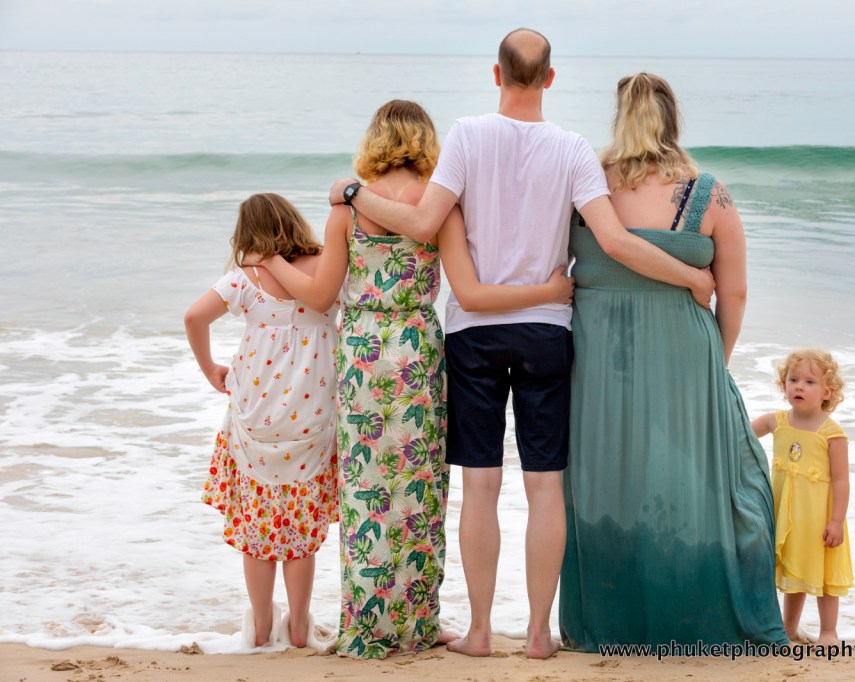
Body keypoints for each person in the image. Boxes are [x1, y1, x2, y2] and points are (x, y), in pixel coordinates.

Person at [328, 31, 714, 659]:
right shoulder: (573, 149)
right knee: (544, 488)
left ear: (496, 74)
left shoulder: (467, 135)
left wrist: (353, 194)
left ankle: (480, 632)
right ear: (551, 78)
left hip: (474, 336)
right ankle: (538, 633)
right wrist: (693, 277)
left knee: (480, 487)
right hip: (547, 331)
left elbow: (422, 223)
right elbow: (616, 242)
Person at [248, 100, 572, 658]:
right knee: (418, 491)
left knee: (365, 490)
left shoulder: (348, 210)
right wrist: (548, 292)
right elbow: (470, 293)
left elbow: (321, 297)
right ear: (426, 142)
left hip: (363, 357)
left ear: (374, 140)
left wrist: (272, 262)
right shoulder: (440, 207)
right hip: (417, 354)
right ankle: (418, 624)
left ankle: (368, 625)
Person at [559, 73, 788, 649]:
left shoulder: (587, 185)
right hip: (686, 350)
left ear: (619, 117)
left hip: (598, 354)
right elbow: (734, 292)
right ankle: (695, 613)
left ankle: (609, 624)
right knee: (696, 482)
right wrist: (717, 361)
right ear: (673, 118)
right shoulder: (708, 193)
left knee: (609, 480)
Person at [184, 193, 339, 649]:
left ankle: (259, 628)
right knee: (300, 532)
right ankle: (299, 627)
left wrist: (209, 368)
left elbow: (194, 316)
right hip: (312, 417)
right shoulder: (327, 268)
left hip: (256, 417)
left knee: (258, 530)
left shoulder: (245, 278)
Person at [751, 349, 853, 645]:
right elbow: (738, 435)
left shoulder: (832, 433)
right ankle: (789, 629)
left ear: (826, 392)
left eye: (809, 382)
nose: (799, 386)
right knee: (793, 572)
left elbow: (841, 481)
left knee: (825, 575)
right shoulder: (776, 421)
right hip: (786, 515)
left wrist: (836, 521)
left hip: (819, 517)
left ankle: (828, 632)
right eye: (793, 380)